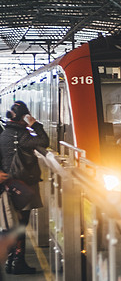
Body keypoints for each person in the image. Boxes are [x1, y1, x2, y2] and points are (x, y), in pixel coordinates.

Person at [0, 101, 49, 275]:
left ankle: (11, 261)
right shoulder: (22, 136)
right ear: (23, 117)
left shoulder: (5, 133)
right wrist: (34, 123)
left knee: (14, 223)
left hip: (9, 185)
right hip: (23, 185)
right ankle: (17, 262)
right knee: (21, 223)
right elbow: (44, 140)